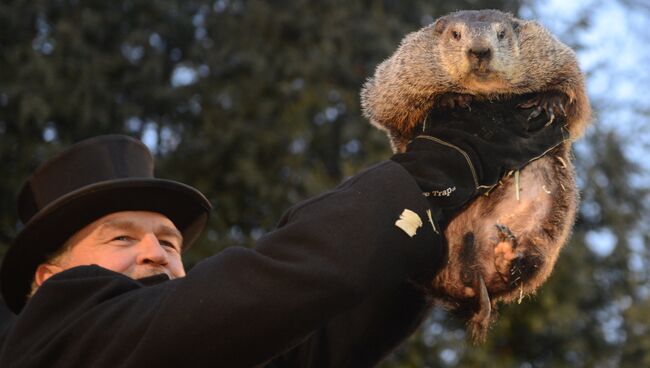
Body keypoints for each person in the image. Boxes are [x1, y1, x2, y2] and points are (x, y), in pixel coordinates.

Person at [0, 100, 567, 367]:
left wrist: (444, 238)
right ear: (49, 279)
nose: (156, 254)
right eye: (121, 239)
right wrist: (434, 172)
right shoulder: (55, 340)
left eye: (170, 243)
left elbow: (321, 333)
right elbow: (269, 286)